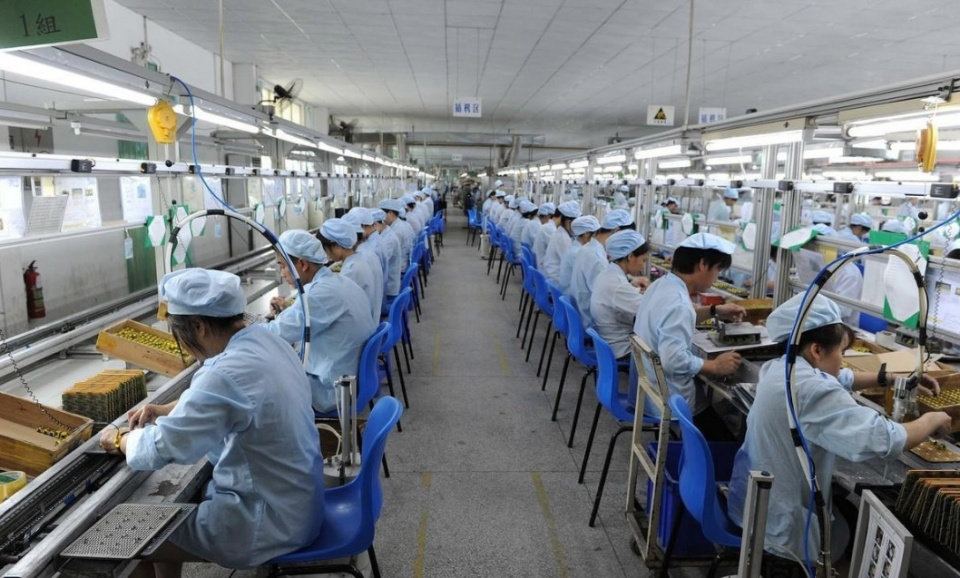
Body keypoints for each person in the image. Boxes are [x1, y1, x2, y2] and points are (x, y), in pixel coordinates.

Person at [99, 268, 324, 577]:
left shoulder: (223, 373)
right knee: (167, 519)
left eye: (181, 337)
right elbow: (234, 397)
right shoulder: (268, 340)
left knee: (129, 539)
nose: (185, 347)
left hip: (265, 523)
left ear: (199, 327)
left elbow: (164, 446)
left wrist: (119, 439)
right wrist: (166, 409)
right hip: (299, 505)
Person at [728, 293, 949, 576]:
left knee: (846, 516)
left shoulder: (782, 367)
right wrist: (932, 418)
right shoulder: (811, 390)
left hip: (757, 503)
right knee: (857, 525)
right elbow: (883, 438)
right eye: (842, 353)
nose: (843, 362)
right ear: (817, 350)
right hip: (785, 527)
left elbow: (837, 377)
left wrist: (888, 378)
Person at [633, 232, 746, 440]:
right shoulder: (679, 303)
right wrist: (715, 366)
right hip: (673, 400)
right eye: (717, 269)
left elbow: (676, 317)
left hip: (650, 389)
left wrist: (714, 310)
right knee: (728, 439)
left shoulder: (662, 285)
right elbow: (673, 360)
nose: (717, 277)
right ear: (703, 264)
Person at [267, 230, 375, 412]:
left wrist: (243, 328)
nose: (282, 273)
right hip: (348, 376)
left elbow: (278, 333)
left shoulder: (319, 294)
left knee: (264, 388)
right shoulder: (339, 282)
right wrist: (286, 311)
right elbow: (303, 318)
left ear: (302, 264)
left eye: (283, 266)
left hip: (330, 390)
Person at [570, 209, 636, 328]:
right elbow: (608, 296)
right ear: (616, 231)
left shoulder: (589, 248)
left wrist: (630, 283)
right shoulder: (597, 258)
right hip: (591, 322)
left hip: (581, 313)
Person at [590, 230, 650, 359]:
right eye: (643, 260)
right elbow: (650, 310)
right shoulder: (617, 285)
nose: (643, 265)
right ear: (630, 256)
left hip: (608, 342)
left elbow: (623, 296)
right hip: (622, 349)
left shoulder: (608, 273)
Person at [320, 218, 383, 323]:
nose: (327, 255)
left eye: (325, 250)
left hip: (364, 323)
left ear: (336, 246)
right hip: (370, 317)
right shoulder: (359, 258)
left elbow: (334, 307)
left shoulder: (351, 271)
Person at [541, 201, 581, 284]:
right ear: (568, 222)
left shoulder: (561, 232)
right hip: (555, 280)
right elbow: (571, 263)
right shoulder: (562, 237)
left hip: (551, 274)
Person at [370, 208, 402, 311]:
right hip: (388, 283)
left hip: (389, 292)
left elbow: (378, 264)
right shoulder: (385, 234)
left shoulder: (389, 240)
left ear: (375, 224)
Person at [559, 215, 600, 295]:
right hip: (570, 295)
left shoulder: (574, 247)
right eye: (595, 235)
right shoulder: (577, 253)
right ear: (586, 234)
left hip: (567, 292)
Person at [381, 198, 415, 270]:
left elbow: (384, 257)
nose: (382, 219)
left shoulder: (397, 230)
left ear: (390, 213)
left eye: (382, 214)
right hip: (404, 262)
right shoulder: (400, 224)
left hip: (400, 267)